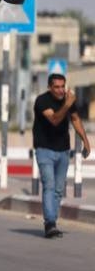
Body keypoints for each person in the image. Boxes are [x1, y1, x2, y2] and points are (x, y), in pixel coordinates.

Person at [32, 73, 91, 238]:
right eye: (56, 87)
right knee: (49, 186)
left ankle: (53, 223)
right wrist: (67, 104)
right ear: (50, 87)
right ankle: (49, 223)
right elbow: (55, 119)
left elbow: (76, 119)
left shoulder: (67, 100)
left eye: (62, 86)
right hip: (44, 150)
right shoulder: (42, 101)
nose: (60, 90)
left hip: (63, 151)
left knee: (58, 190)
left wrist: (86, 141)